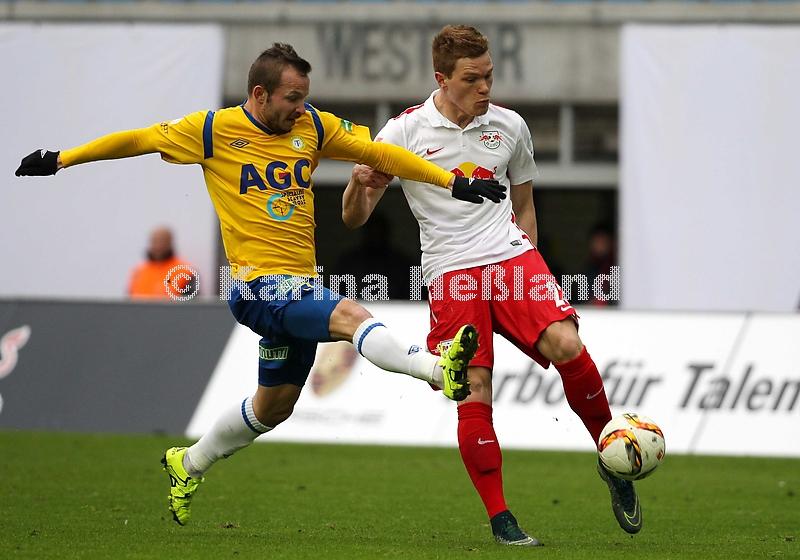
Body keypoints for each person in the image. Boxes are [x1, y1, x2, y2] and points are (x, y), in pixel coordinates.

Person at [14, 43, 509, 527]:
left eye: (305, 97)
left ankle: (188, 463)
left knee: (274, 407)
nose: (301, 107)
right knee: (351, 316)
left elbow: (382, 153)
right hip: (258, 286)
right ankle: (436, 369)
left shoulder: (313, 126)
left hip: (299, 285)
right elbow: (137, 140)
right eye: (292, 98)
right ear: (259, 93)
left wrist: (453, 182)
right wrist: (62, 158)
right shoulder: (212, 130)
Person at [341, 25, 640, 546]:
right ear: (442, 79)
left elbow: (524, 204)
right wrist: (356, 185)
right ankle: (502, 518)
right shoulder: (403, 132)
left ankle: (611, 456)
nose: (485, 88)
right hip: (451, 272)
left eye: (489, 76)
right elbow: (354, 218)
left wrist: (530, 260)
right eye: (472, 79)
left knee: (568, 343)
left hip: (511, 259)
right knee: (474, 388)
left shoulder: (510, 125)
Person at [128, 226, 196, 300]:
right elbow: (129, 300)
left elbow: (191, 303)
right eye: (155, 241)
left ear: (170, 243)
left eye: (162, 241)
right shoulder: (139, 272)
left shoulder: (185, 272)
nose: (158, 246)